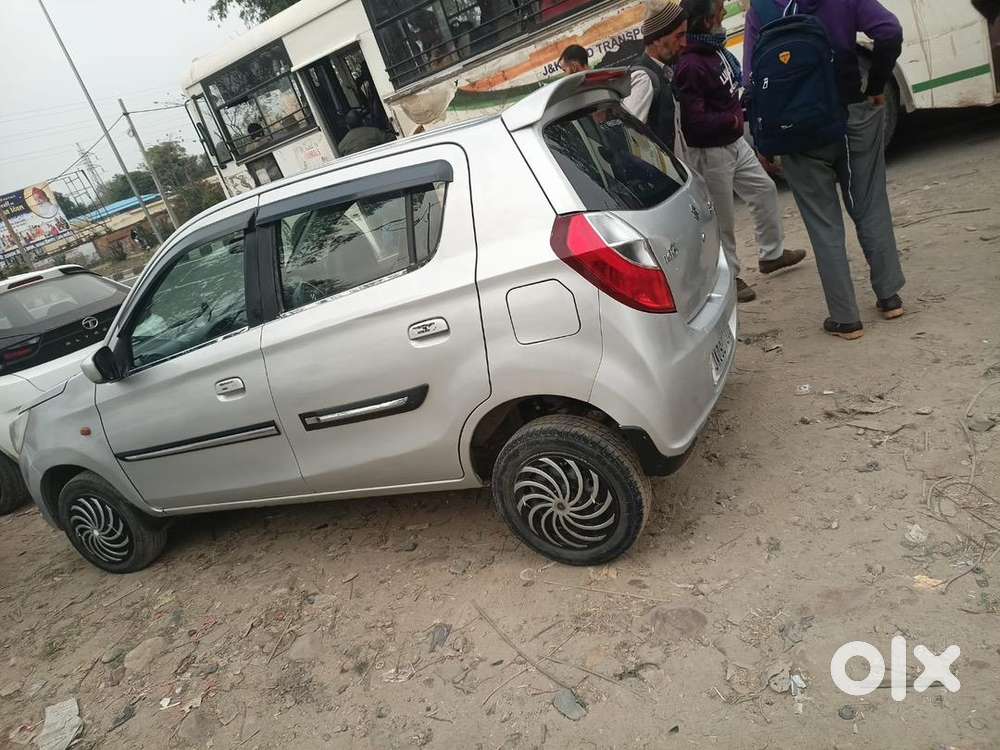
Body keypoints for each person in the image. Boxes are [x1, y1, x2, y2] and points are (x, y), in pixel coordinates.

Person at [743, 0, 905, 340]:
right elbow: (889, 31)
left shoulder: (759, 10)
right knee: (870, 203)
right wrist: (875, 87)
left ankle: (846, 319)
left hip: (799, 133)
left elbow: (752, 81)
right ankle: (889, 297)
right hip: (852, 115)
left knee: (823, 225)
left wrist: (765, 141)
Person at [675, 0, 806, 303]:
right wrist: (731, 118)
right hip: (711, 153)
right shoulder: (691, 65)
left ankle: (771, 255)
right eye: (719, 10)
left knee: (764, 190)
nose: (723, 14)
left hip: (734, 142)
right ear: (706, 20)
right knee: (723, 221)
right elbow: (694, 123)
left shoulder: (715, 49)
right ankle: (730, 277)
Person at [621, 0, 689, 151]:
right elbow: (629, 140)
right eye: (679, 36)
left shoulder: (664, 72)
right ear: (657, 39)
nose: (685, 43)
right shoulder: (643, 78)